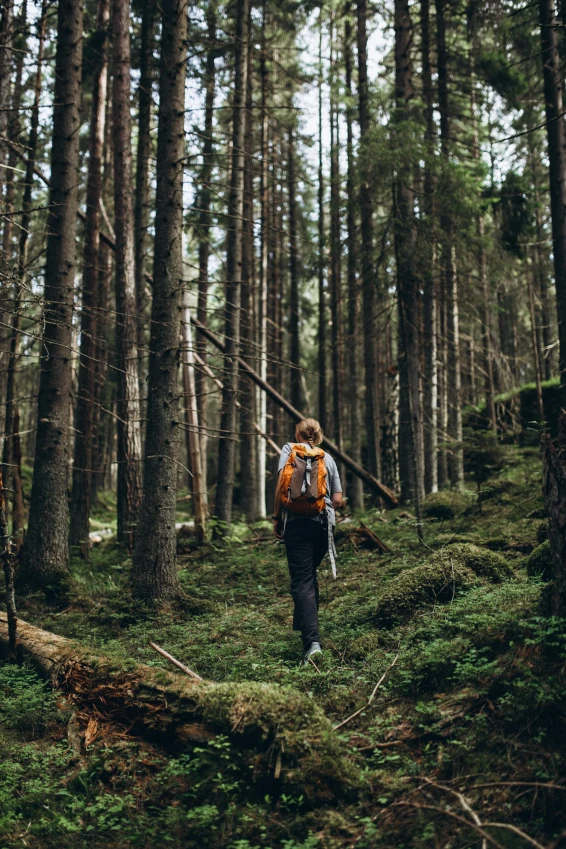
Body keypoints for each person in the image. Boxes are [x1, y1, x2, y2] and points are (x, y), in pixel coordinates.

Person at [272, 418, 342, 666]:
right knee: (309, 576)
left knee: (302, 580)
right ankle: (305, 628)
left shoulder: (289, 450)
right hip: (323, 526)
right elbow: (337, 497)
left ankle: (312, 643)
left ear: (297, 434)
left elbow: (282, 484)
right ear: (319, 435)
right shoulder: (327, 458)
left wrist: (276, 518)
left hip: (297, 524)